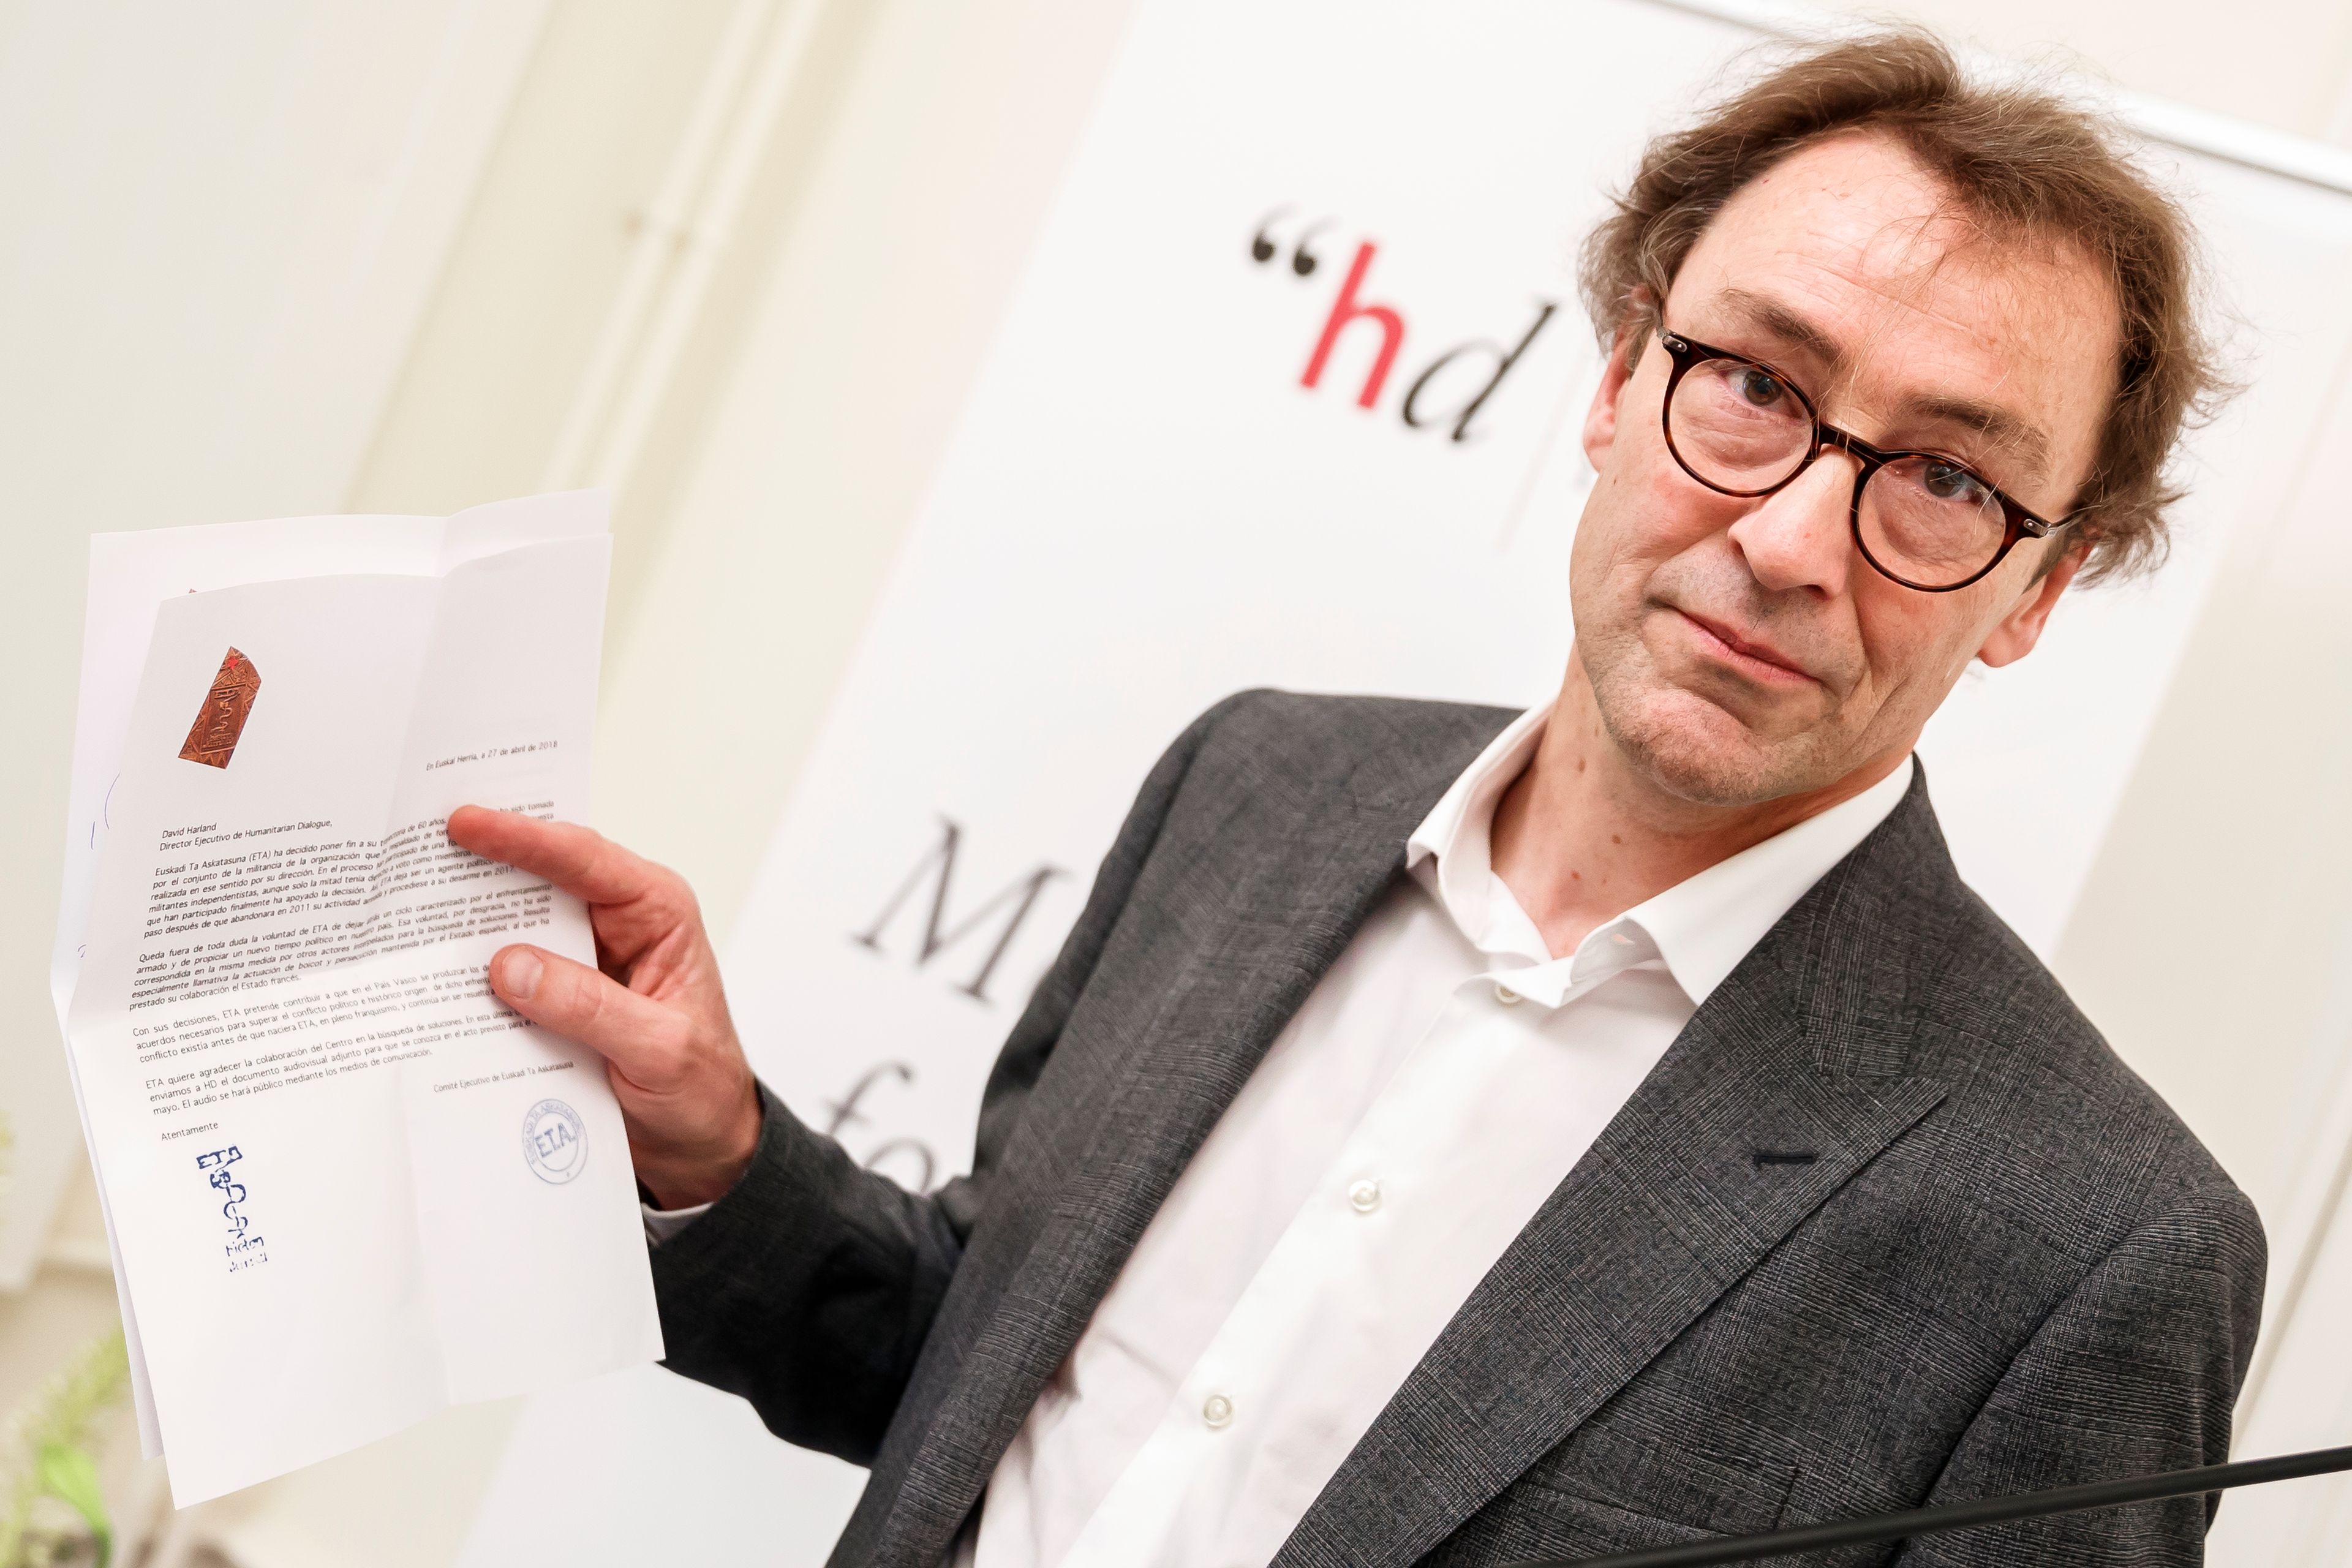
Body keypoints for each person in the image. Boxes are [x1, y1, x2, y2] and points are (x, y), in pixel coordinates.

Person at [449, 29, 2262, 1567]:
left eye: (1946, 479)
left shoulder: (2090, 1249)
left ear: (2038, 586)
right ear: (1622, 379)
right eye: (1754, 386)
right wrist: (723, 1166)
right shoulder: (1259, 786)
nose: (1790, 539)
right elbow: (985, 1381)